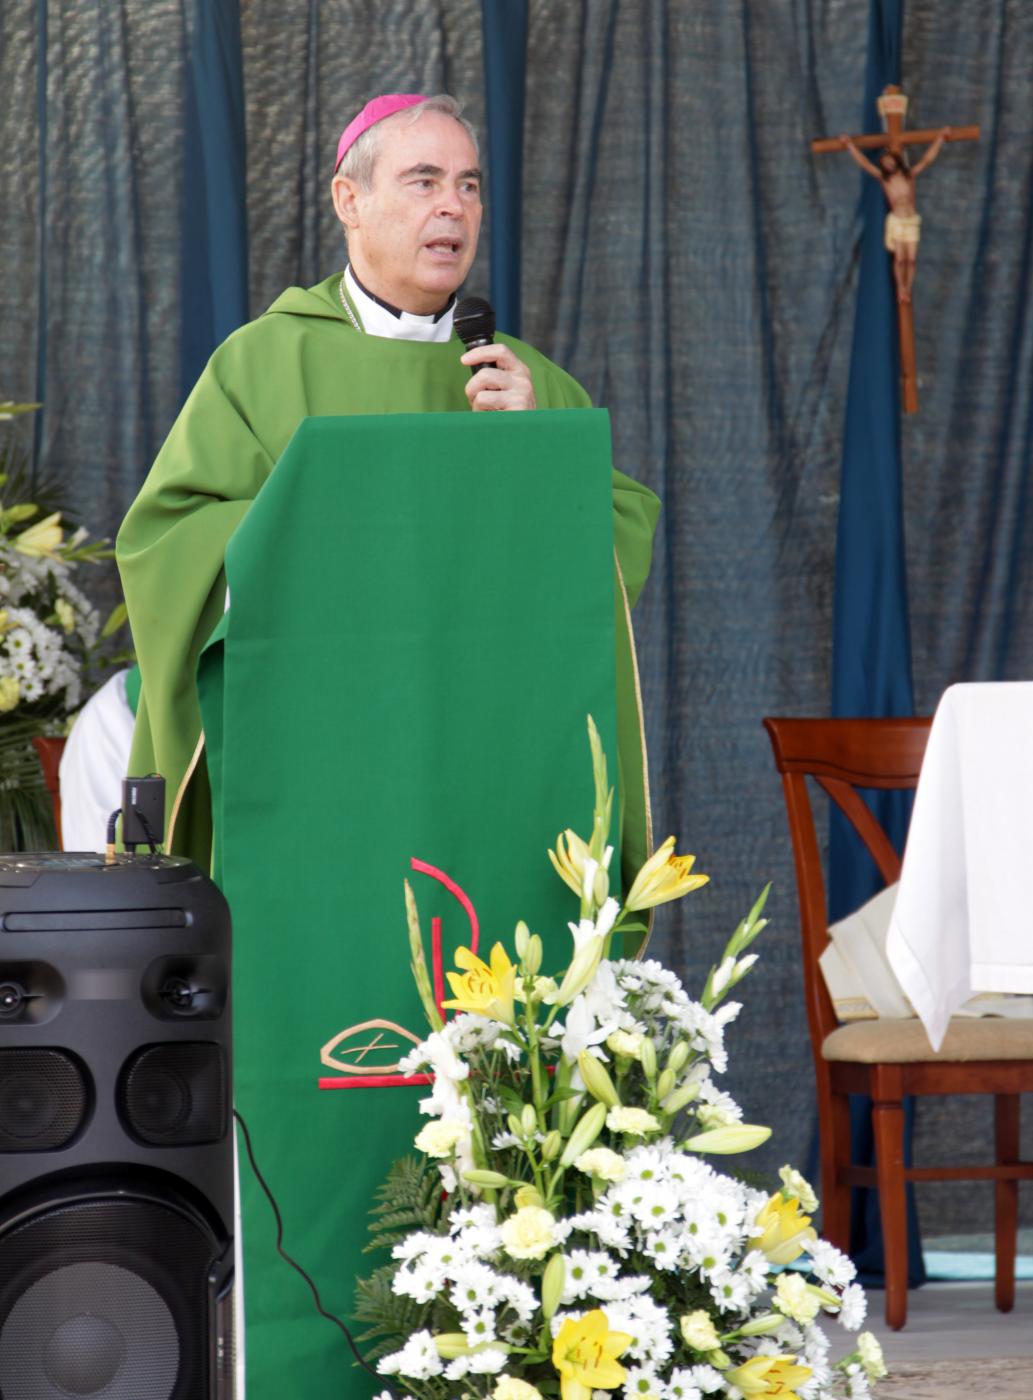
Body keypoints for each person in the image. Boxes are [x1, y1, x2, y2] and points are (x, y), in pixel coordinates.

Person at [116, 93, 659, 877]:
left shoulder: (523, 379)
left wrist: (540, 455)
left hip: (484, 761)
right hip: (316, 757)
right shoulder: (262, 363)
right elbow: (169, 537)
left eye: (469, 186)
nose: (453, 207)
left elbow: (612, 542)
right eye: (424, 181)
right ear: (350, 200)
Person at [839, 128, 951, 303]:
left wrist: (940, 139)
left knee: (911, 260)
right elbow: (865, 163)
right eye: (885, 163)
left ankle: (908, 288)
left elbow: (927, 159)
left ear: (896, 161)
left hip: (911, 220)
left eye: (890, 161)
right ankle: (901, 288)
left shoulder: (909, 176)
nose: (888, 164)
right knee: (900, 260)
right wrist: (849, 146)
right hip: (898, 221)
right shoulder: (885, 180)